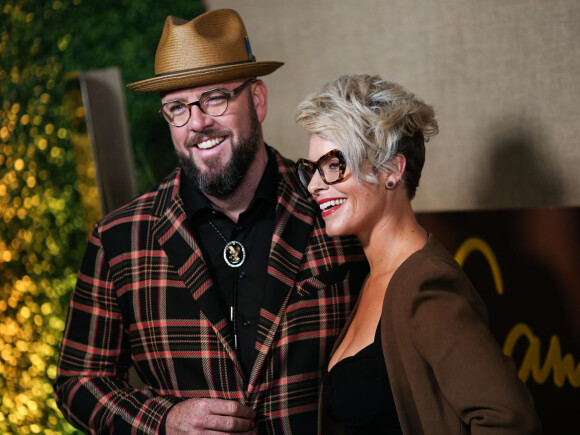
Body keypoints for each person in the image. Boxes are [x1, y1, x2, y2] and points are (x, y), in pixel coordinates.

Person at [54, 9, 367, 434]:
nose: (198, 122)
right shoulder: (118, 240)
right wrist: (162, 421)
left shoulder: (333, 207)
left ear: (257, 100)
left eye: (215, 98)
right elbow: (78, 382)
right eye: (177, 107)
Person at [295, 74, 542, 434]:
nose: (315, 185)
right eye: (312, 170)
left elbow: (510, 421)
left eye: (334, 165)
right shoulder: (374, 276)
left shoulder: (426, 284)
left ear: (392, 170)